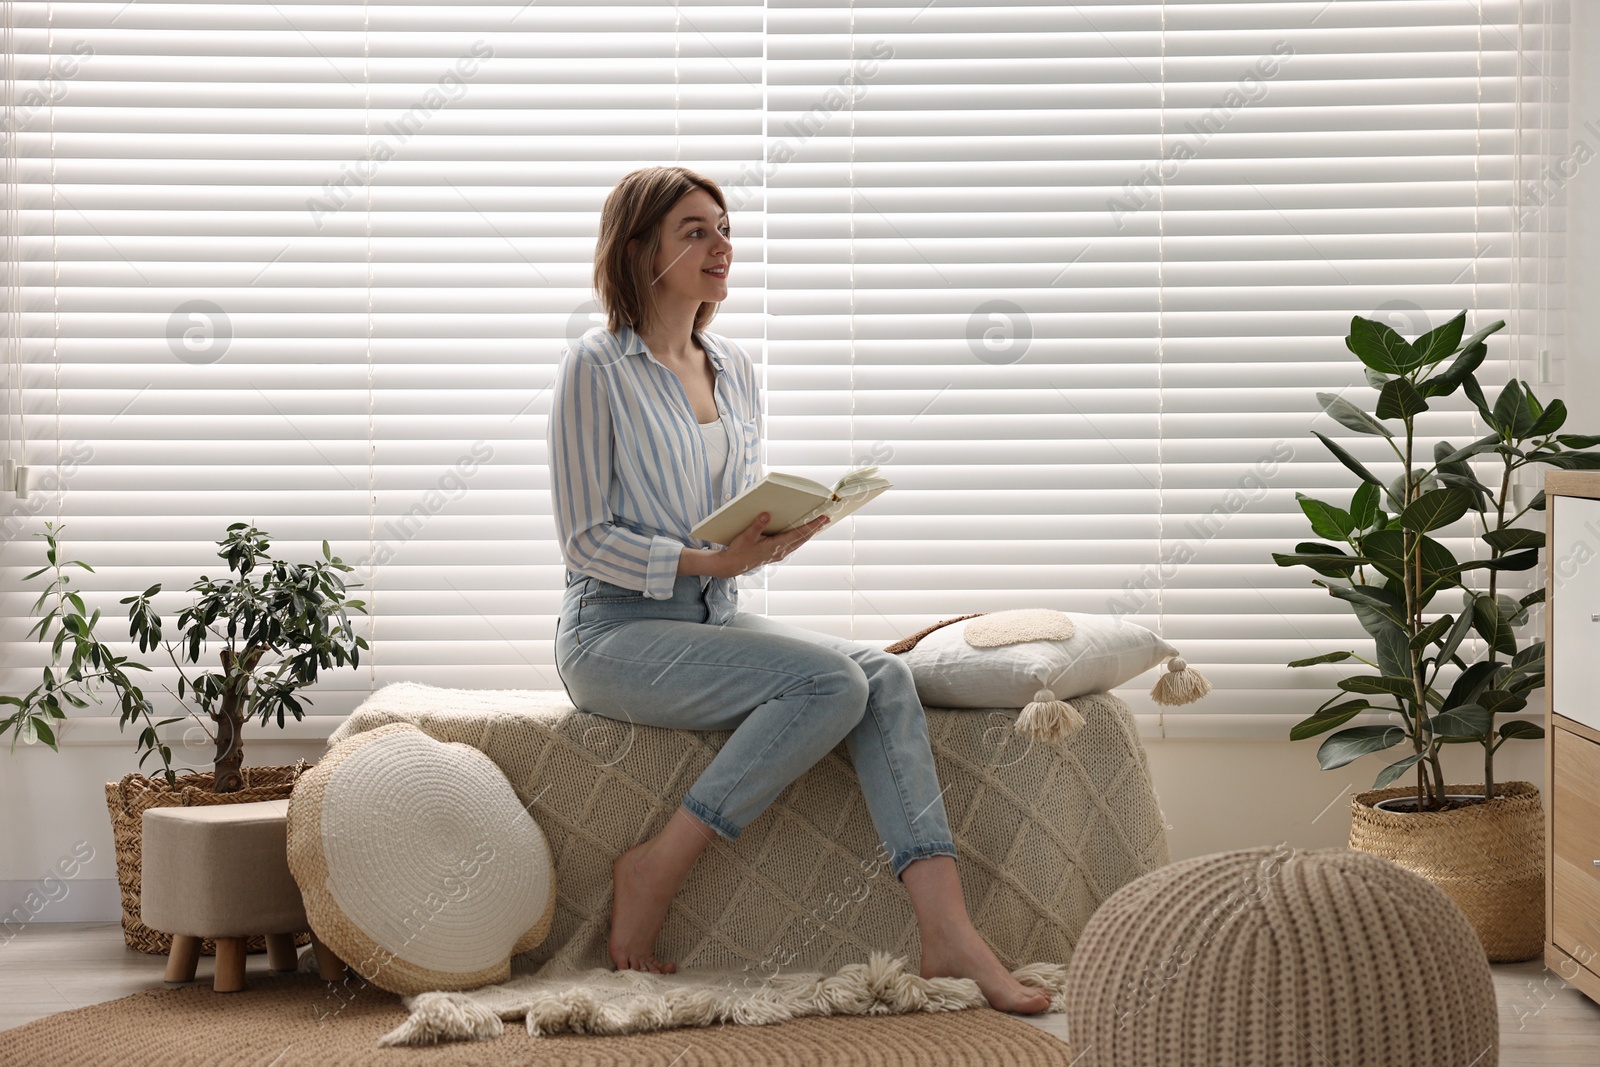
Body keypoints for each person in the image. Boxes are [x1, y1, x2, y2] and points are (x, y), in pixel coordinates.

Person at [547, 165, 1050, 1014]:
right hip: (612, 636)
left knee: (882, 675)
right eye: (695, 231)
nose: (722, 245)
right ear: (639, 250)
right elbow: (586, 538)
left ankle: (947, 930)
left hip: (714, 615)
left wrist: (770, 541)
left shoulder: (734, 367)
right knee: (833, 677)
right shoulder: (595, 369)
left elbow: (721, 527)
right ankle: (655, 866)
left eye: (725, 227)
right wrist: (715, 564)